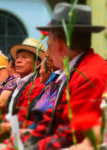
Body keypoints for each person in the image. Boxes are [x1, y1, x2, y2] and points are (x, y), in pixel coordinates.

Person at [24, 2, 107, 150]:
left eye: (49, 45)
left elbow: (72, 135)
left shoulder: (88, 76)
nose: (47, 54)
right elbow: (49, 120)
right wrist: (24, 143)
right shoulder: (66, 73)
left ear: (61, 45)